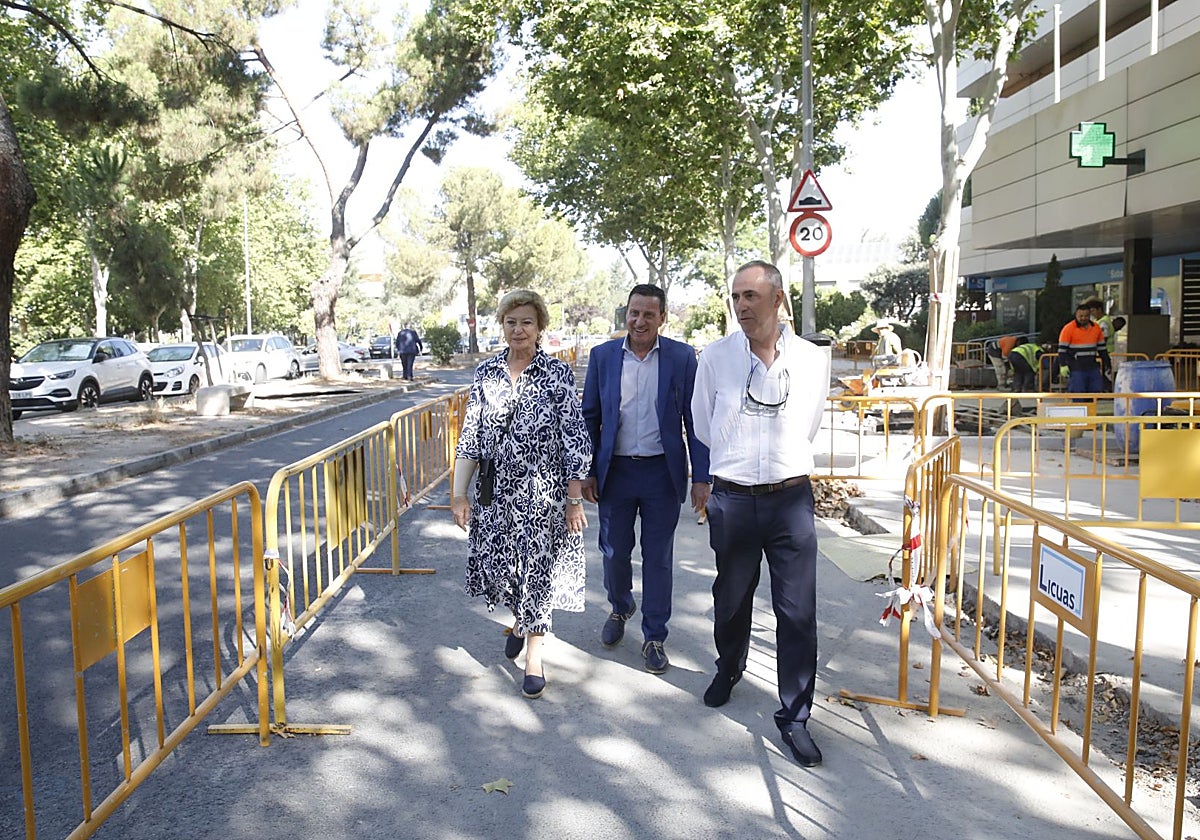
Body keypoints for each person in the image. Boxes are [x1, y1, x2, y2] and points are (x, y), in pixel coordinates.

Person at [691, 259, 831, 767]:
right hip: (733, 498)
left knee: (797, 612)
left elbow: (809, 424)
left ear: (777, 300)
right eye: (736, 296)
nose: (742, 305)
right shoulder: (716, 358)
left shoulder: (814, 360)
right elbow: (703, 425)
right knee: (730, 598)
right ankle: (729, 667)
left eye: (751, 296)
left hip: (790, 499)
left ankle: (795, 716)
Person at [450, 289, 592, 700]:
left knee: (538, 574)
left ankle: (534, 655)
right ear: (503, 326)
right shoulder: (486, 374)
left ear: (540, 327)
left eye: (527, 322)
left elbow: (573, 438)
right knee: (504, 571)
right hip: (496, 495)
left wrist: (574, 497)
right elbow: (471, 436)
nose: (518, 329)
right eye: (511, 322)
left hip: (542, 494)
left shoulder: (556, 375)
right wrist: (459, 494)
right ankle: (518, 621)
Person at [581, 284, 710, 674]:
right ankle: (621, 607)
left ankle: (655, 635)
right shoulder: (603, 356)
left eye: (648, 315)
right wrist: (586, 470)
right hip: (615, 472)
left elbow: (696, 420)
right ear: (626, 314)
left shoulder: (682, 357)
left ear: (662, 318)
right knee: (613, 552)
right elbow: (589, 416)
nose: (639, 321)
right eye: (633, 313)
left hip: (660, 473)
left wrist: (701, 478)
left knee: (658, 559)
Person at [1058, 302, 1109, 394]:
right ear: (1076, 315)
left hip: (1092, 366)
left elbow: (1102, 348)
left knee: (1094, 393)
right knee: (1078, 394)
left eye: (1086, 316)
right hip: (1076, 367)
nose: (1083, 318)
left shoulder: (1096, 328)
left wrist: (1107, 362)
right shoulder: (1068, 329)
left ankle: (1091, 408)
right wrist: (1063, 365)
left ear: (1089, 315)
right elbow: (1062, 350)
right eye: (1080, 316)